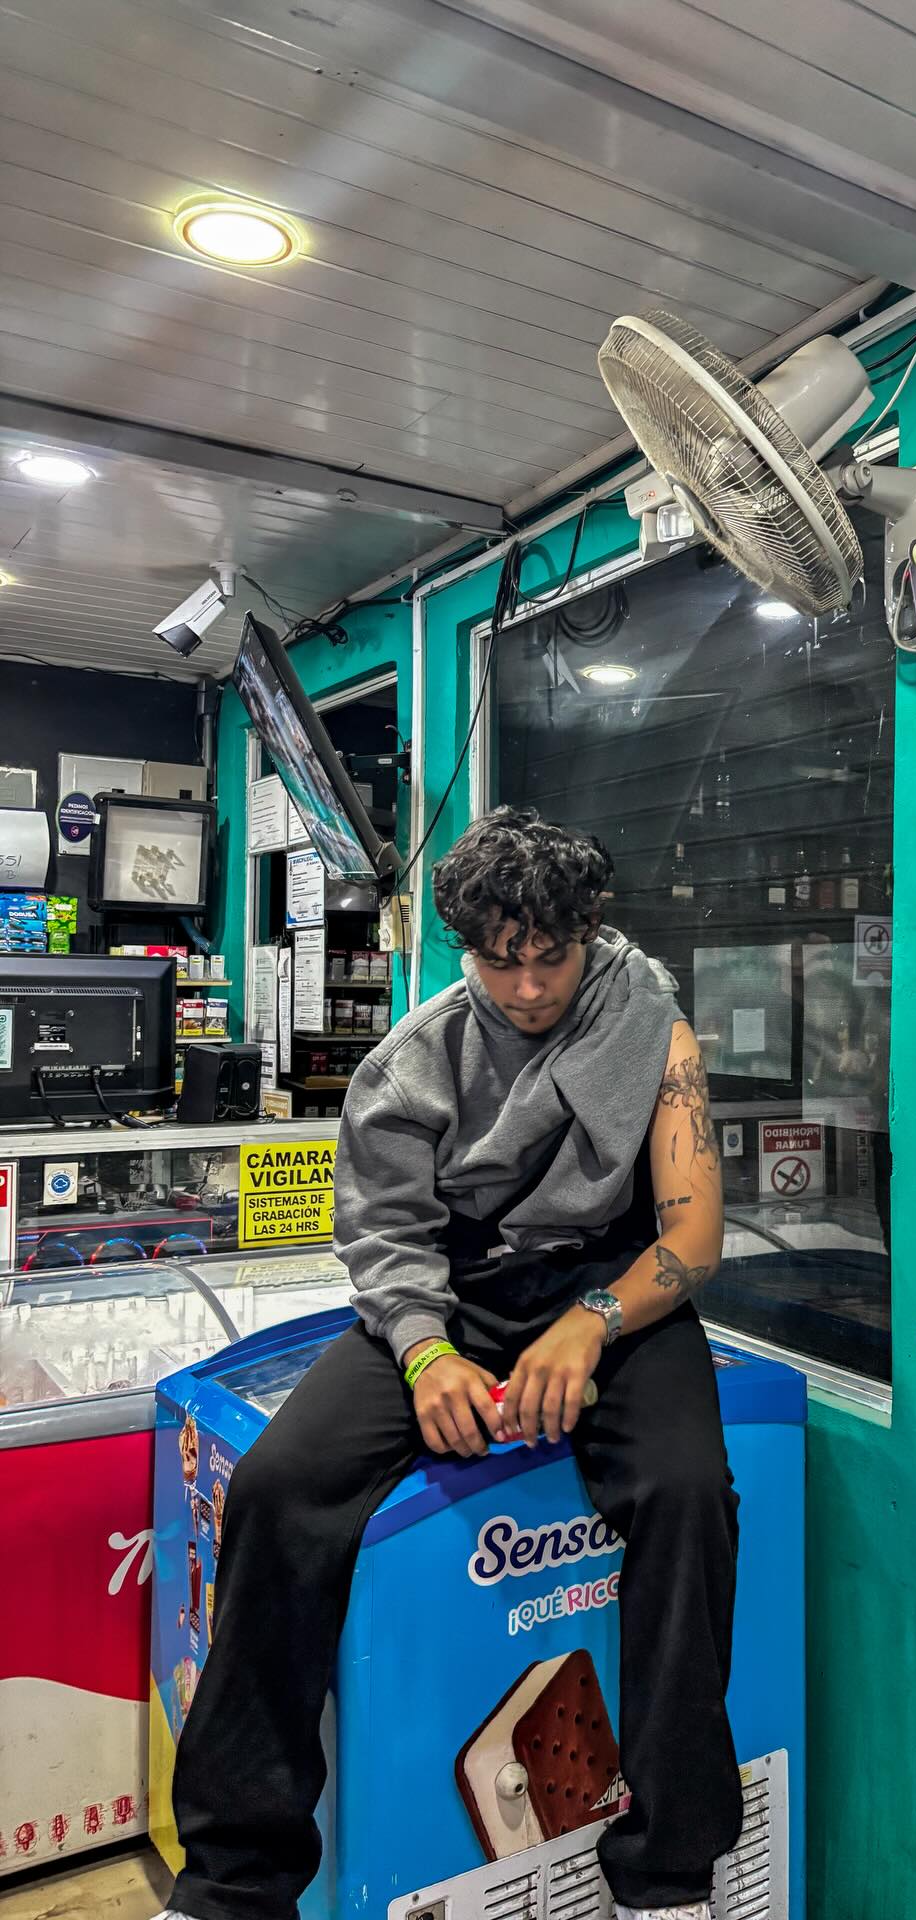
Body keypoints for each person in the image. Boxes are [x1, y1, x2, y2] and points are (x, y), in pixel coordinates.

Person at [160, 807, 740, 1920]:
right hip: (452, 1291)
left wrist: (592, 1321)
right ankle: (233, 1884)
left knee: (689, 1493)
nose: (528, 987)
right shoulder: (414, 1059)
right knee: (279, 1488)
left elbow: (694, 1233)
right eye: (499, 961)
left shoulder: (651, 1023)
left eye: (552, 958)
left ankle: (668, 1878)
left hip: (613, 1287)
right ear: (463, 949)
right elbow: (386, 1239)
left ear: (589, 933)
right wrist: (425, 1353)